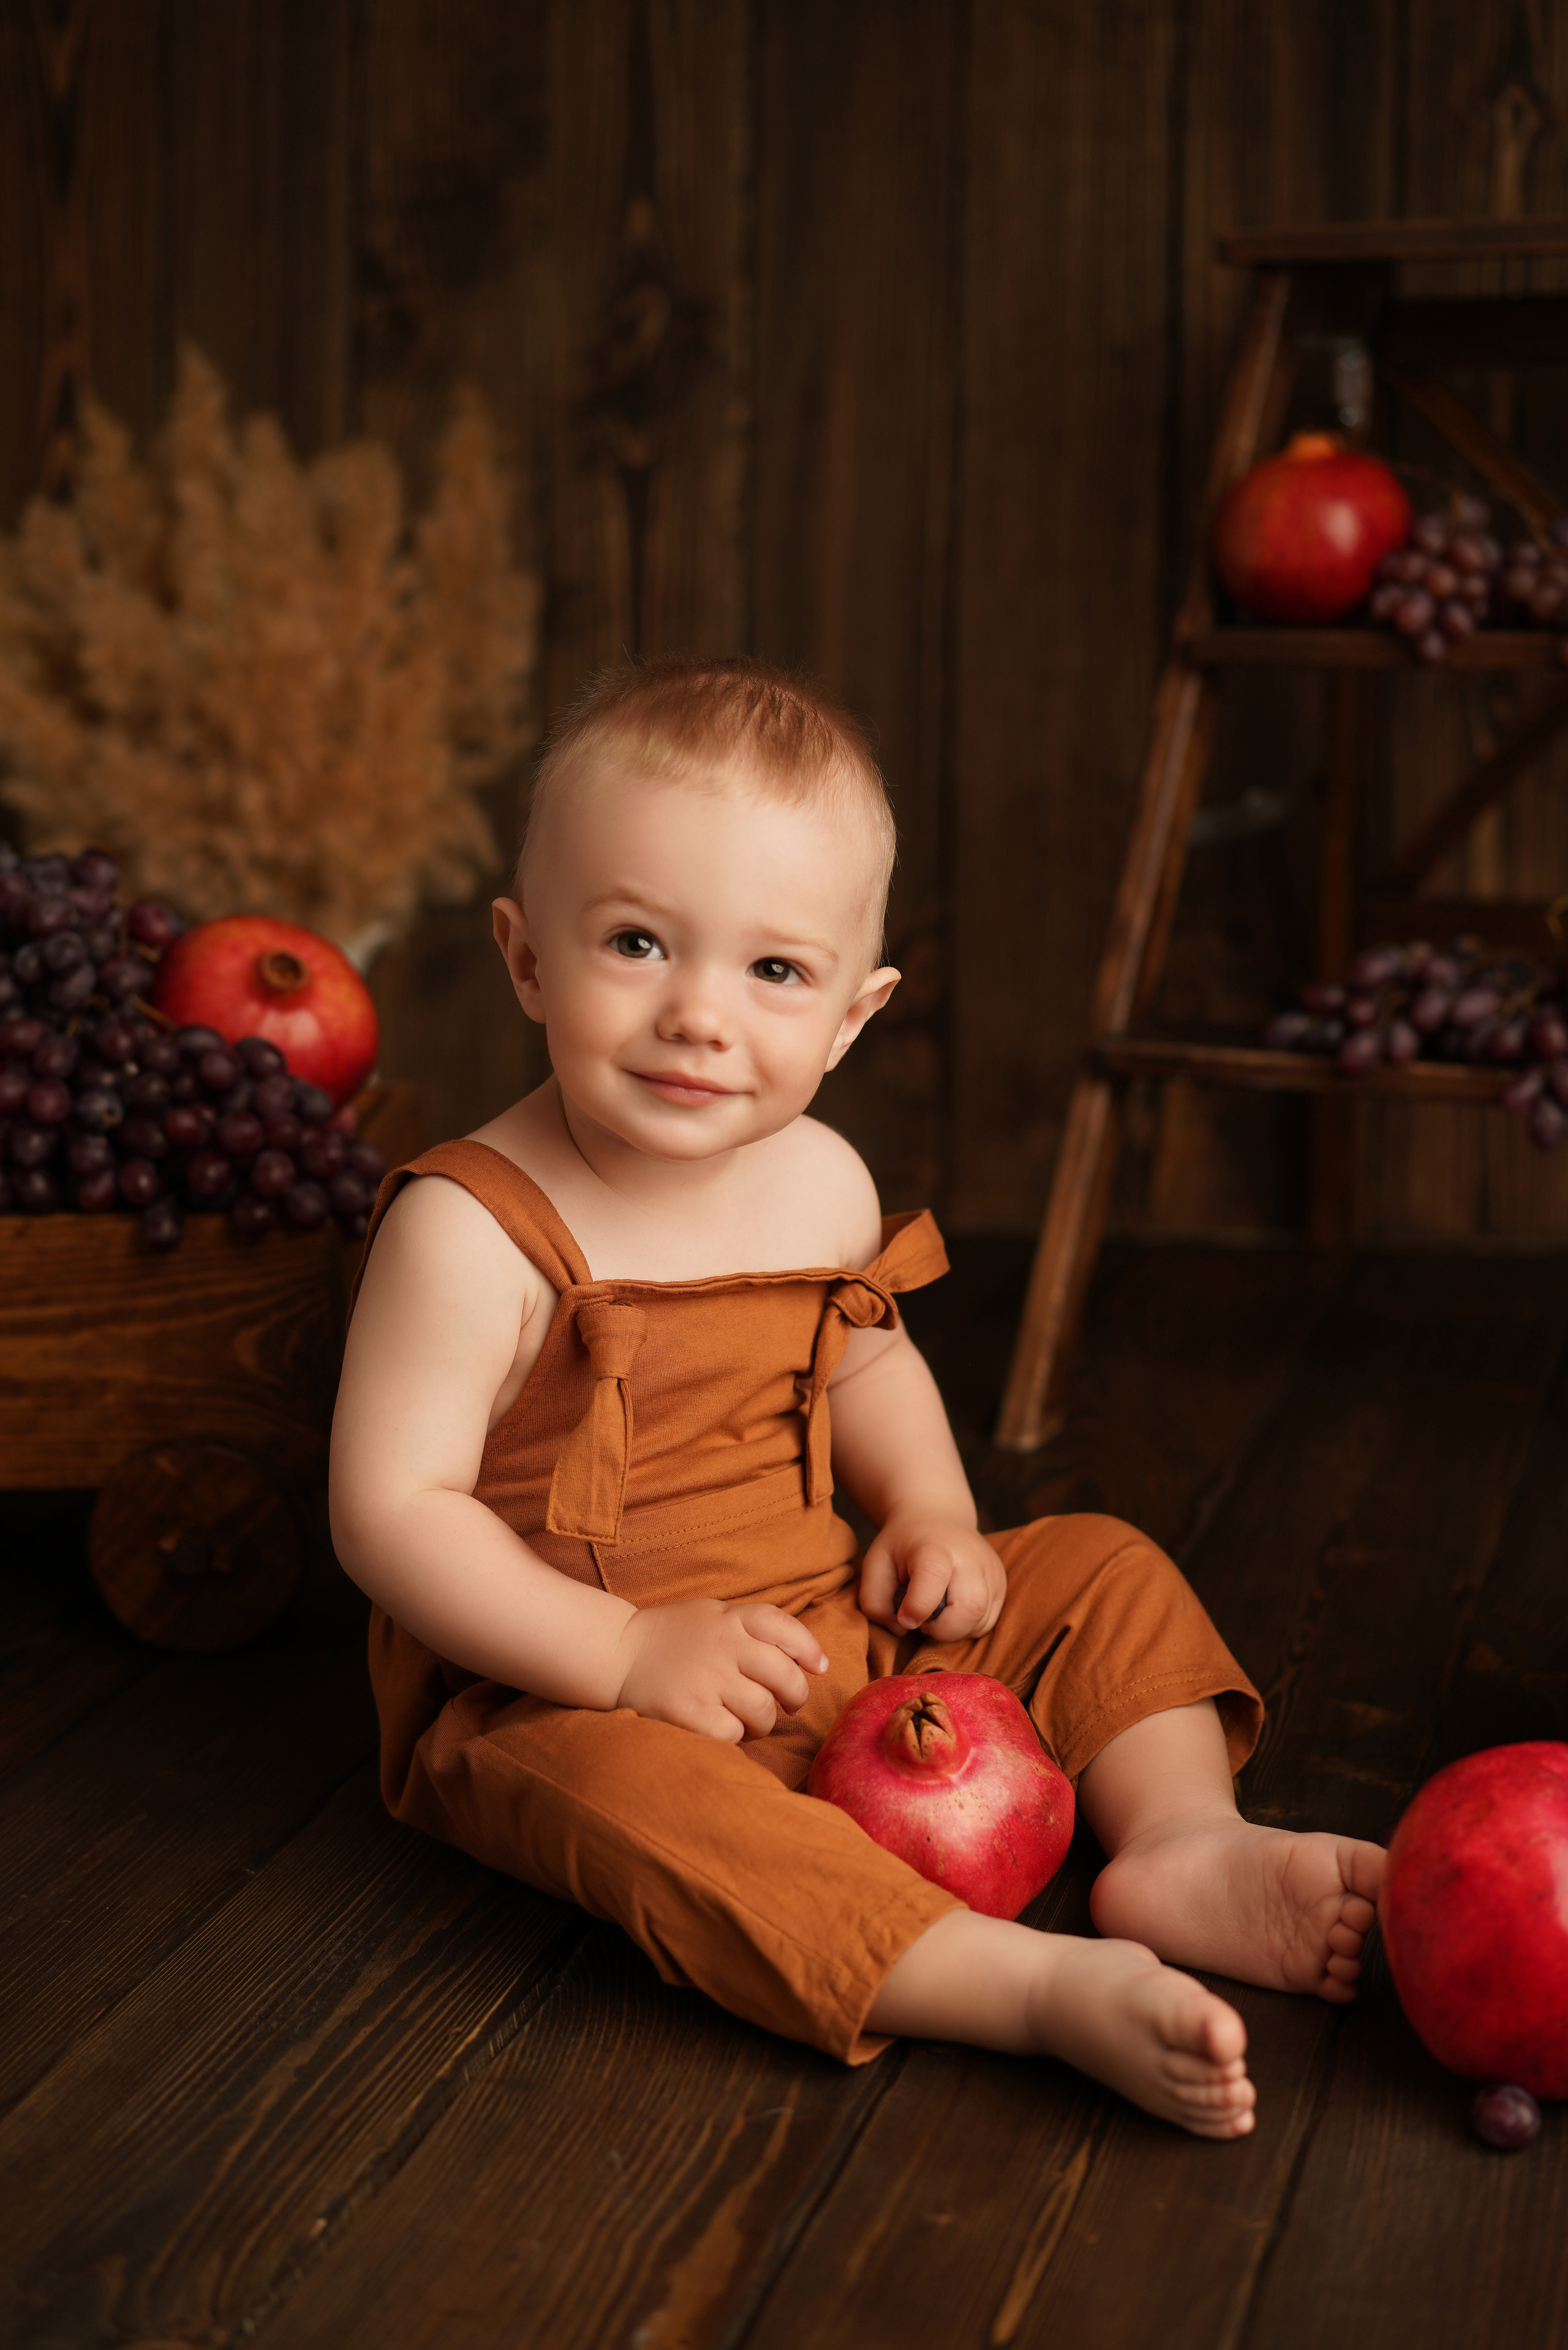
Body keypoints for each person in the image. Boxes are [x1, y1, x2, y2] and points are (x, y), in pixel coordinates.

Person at [330, 655, 1384, 2140]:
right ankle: (1011, 1983)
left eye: (772, 971)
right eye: (635, 941)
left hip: (824, 1616)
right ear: (523, 958)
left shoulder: (822, 1176)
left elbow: (867, 1356)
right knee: (659, 1820)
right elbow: (390, 1513)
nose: (700, 1014)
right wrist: (621, 1648)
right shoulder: (470, 1227)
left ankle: (1188, 1842)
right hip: (556, 1675)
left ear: (851, 1012)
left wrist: (936, 1511)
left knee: (1094, 1564)